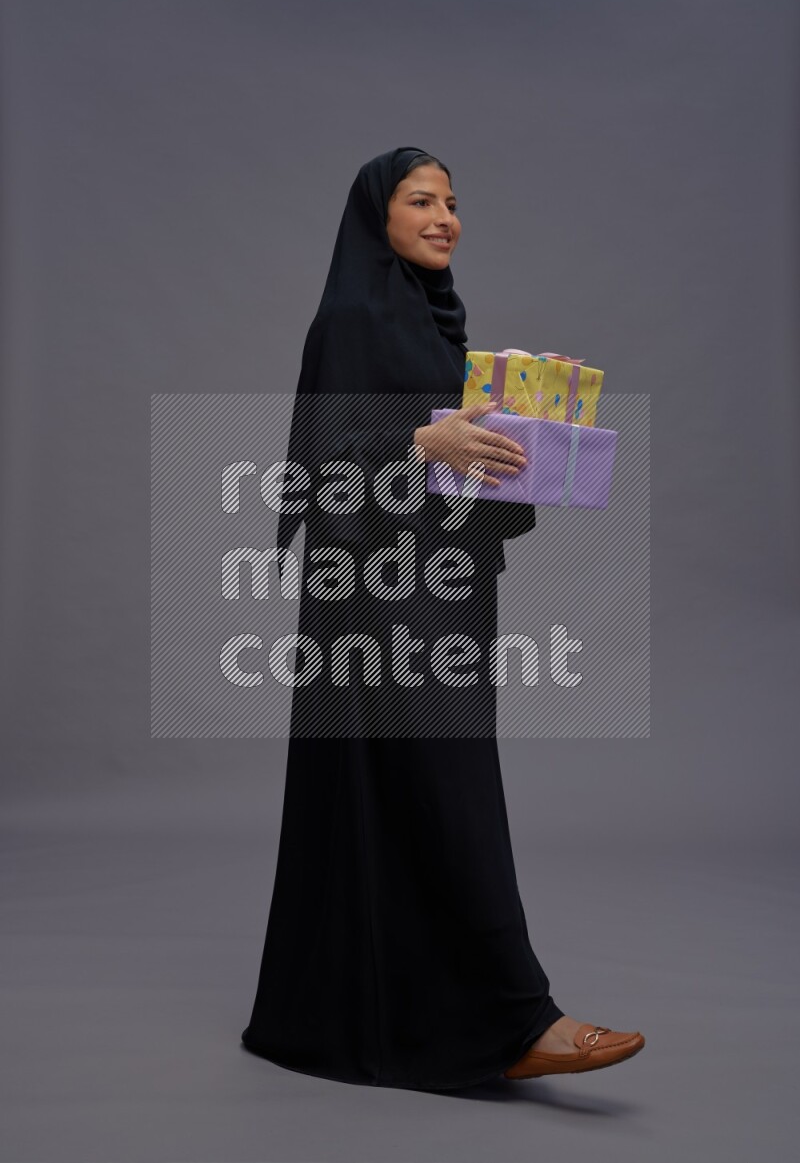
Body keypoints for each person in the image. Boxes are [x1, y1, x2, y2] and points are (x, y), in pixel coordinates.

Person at [240, 147, 645, 1089]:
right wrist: (424, 436)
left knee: (410, 795)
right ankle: (519, 1018)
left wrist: (534, 440)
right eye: (422, 199)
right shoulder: (348, 317)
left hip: (442, 584)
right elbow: (319, 464)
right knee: (439, 793)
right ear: (376, 216)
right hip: (375, 600)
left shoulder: (433, 325)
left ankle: (355, 1018)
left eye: (454, 202)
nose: (445, 215)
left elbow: (451, 469)